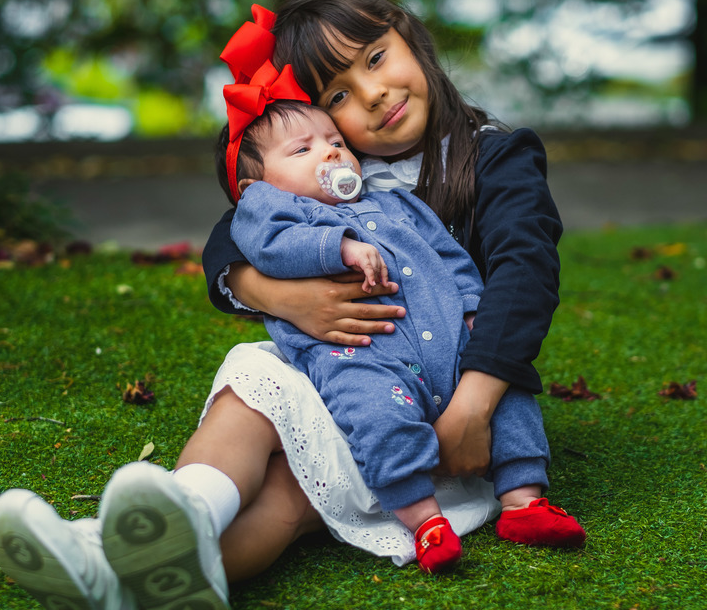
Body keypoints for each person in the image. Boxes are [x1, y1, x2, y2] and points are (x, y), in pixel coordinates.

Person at [0, 0, 579, 608]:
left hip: (448, 408)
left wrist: (474, 408)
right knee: (253, 394)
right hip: (347, 374)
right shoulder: (334, 166)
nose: (374, 95)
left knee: (290, 496)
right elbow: (230, 238)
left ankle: (114, 566)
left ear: (411, 37)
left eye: (376, 58)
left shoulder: (494, 157)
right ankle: (133, 544)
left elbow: (525, 276)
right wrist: (277, 294)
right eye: (340, 96)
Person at [223, 95, 582, 572]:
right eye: (302, 150)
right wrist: (339, 247)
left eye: (334, 141)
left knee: (510, 395)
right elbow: (270, 246)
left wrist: (472, 311)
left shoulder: (395, 202)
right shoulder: (275, 215)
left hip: (448, 345)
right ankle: (424, 521)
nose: (330, 153)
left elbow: (452, 257)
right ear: (256, 189)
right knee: (375, 415)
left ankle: (524, 500)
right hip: (362, 357)